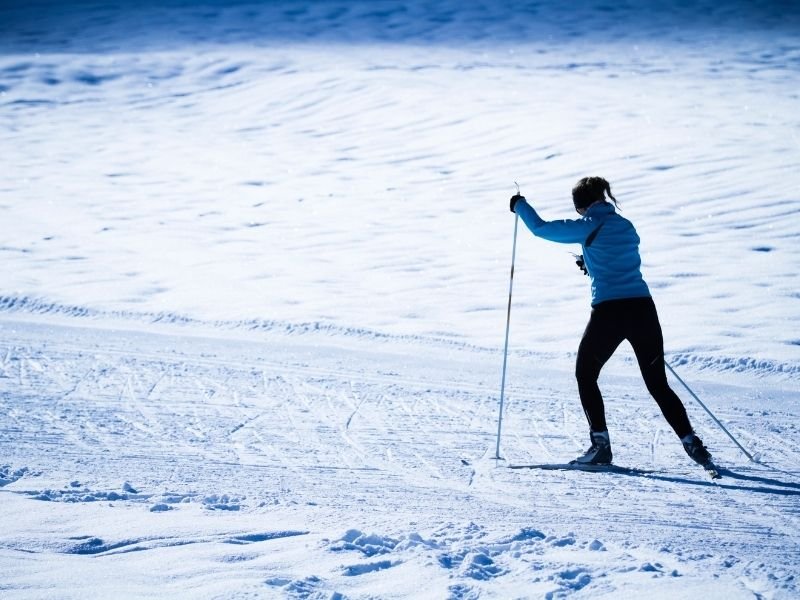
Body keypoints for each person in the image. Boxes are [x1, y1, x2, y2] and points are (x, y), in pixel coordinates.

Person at [509, 176, 712, 467]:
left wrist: (520, 205)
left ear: (582, 205)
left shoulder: (589, 225)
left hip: (610, 312)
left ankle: (600, 446)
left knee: (585, 374)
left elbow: (541, 229)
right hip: (643, 309)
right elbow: (617, 257)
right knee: (657, 383)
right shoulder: (626, 226)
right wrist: (590, 262)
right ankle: (692, 443)